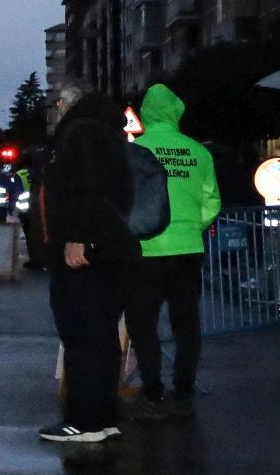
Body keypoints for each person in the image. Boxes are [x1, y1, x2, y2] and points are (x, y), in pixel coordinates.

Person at [35, 79, 139, 443]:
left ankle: (85, 420)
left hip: (86, 253)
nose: (54, 113)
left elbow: (86, 188)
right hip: (106, 250)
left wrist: (77, 237)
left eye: (55, 107)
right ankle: (102, 416)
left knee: (82, 333)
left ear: (65, 105)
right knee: (100, 333)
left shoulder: (81, 133)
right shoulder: (103, 131)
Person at [121, 84, 221, 419]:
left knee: (142, 322)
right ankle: (183, 388)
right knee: (186, 323)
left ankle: (152, 389)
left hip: (145, 250)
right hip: (188, 249)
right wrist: (192, 225)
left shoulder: (136, 150)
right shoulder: (198, 152)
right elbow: (212, 202)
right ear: (176, 111)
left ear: (147, 113)